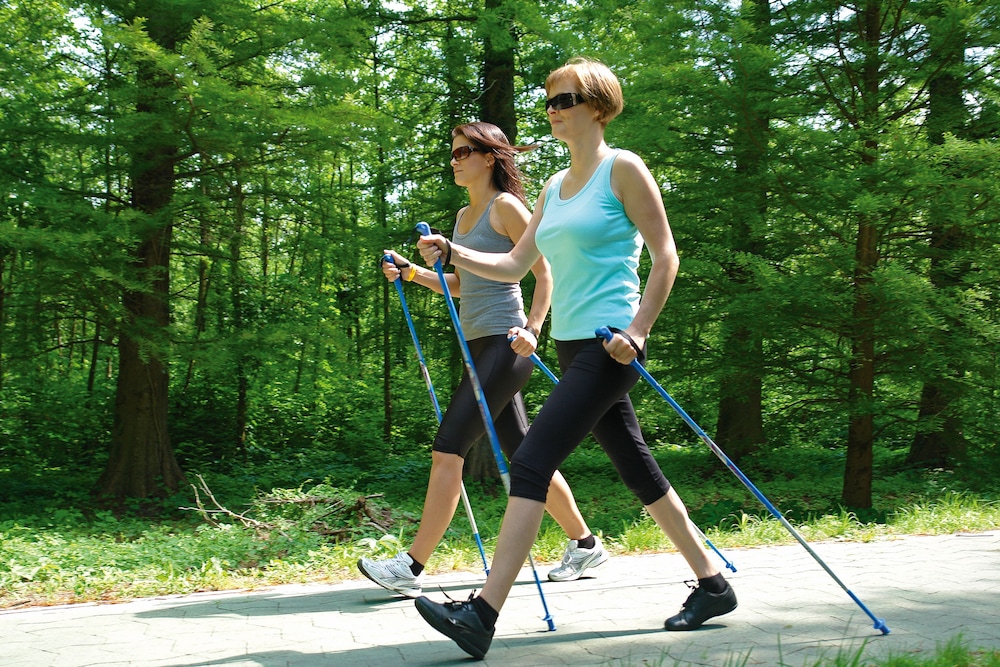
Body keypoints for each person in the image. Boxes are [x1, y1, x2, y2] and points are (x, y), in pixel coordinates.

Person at [413, 59, 737, 659]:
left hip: (612, 343)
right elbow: (514, 265)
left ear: (598, 106)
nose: (553, 110)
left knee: (530, 461)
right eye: (549, 101)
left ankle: (482, 614)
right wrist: (452, 251)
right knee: (636, 467)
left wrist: (638, 330)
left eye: (564, 100)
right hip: (571, 344)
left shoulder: (623, 169)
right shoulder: (553, 188)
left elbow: (666, 255)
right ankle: (714, 586)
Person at [358, 121, 608, 598]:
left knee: (448, 447)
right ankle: (585, 544)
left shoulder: (506, 207)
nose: (454, 161)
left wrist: (533, 329)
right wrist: (412, 274)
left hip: (504, 346)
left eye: (463, 152)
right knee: (525, 452)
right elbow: (463, 284)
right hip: (479, 348)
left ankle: (411, 566)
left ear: (489, 156)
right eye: (452, 153)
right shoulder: (462, 216)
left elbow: (544, 272)